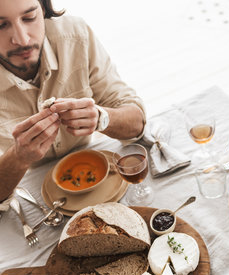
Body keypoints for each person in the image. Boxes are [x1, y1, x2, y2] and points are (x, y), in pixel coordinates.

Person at [0, 0, 145, 209]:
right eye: (1, 25)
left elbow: (137, 123)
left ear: (43, 8)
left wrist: (102, 118)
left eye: (30, 17)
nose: (22, 39)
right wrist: (19, 157)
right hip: (32, 199)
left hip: (104, 180)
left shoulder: (76, 35)